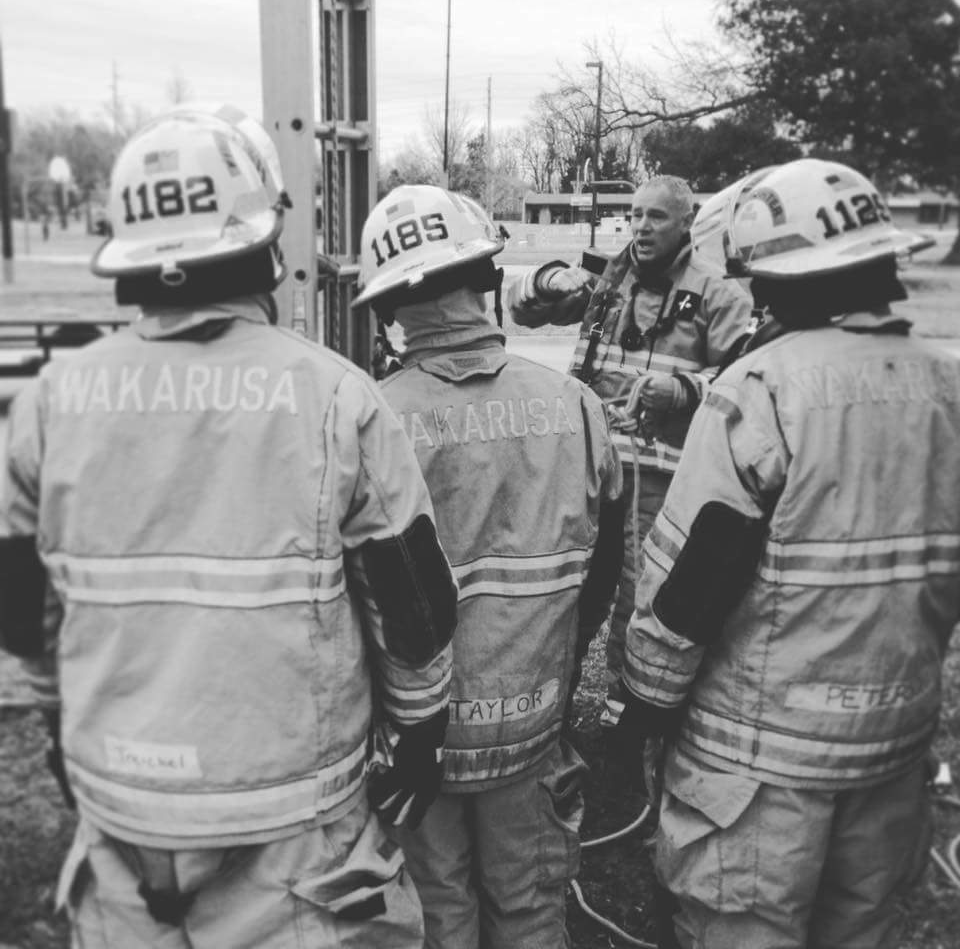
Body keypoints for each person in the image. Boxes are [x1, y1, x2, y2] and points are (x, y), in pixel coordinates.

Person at [0, 105, 458, 949]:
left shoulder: (46, 406)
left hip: (123, 815)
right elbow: (414, 609)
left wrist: (63, 741)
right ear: (265, 246)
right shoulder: (335, 397)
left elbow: (21, 613)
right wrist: (420, 732)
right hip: (295, 826)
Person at [616, 157, 960, 949]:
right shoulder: (946, 389)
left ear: (774, 274)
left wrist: (646, 703)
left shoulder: (763, 390)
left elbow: (689, 583)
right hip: (892, 755)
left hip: (757, 772)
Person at [352, 184, 624, 949]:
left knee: (438, 913)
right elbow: (601, 577)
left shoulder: (370, 418)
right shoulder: (574, 406)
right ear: (490, 283)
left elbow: (359, 596)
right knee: (531, 907)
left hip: (417, 745)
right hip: (531, 722)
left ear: (386, 311)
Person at [506, 174, 753, 730]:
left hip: (660, 487)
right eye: (636, 215)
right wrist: (548, 277)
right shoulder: (605, 282)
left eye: (656, 217)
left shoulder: (720, 296)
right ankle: (550, 706)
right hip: (588, 471)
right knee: (567, 594)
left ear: (686, 222)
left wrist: (685, 390)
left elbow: (751, 387)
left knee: (640, 602)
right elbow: (520, 311)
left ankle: (625, 721)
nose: (641, 226)